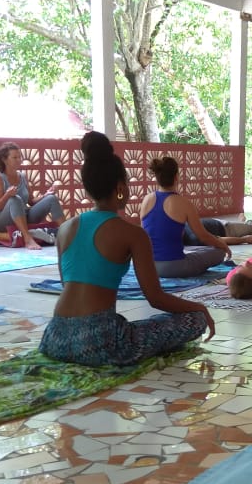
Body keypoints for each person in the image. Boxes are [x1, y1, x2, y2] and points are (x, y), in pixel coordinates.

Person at [39, 133, 214, 367]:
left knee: (147, 324)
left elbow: (67, 285)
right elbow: (155, 298)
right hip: (101, 342)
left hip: (55, 337)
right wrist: (199, 307)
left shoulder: (65, 229)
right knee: (193, 320)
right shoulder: (132, 233)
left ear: (88, 190)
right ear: (121, 188)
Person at [140, 156, 231, 278]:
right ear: (177, 176)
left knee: (198, 252)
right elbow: (203, 236)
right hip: (175, 267)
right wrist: (223, 245)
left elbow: (144, 234)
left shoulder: (146, 200)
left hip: (149, 267)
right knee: (219, 252)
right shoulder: (183, 203)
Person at [0, 142, 66, 250]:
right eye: (14, 157)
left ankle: (67, 234)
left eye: (20, 156)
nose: (19, 160)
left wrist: (46, 195)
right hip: (3, 222)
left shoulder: (23, 176)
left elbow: (31, 201)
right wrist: (7, 195)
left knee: (51, 199)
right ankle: (27, 238)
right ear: (5, 160)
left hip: (23, 218)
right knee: (15, 199)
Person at [183, 217, 252, 247]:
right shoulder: (194, 237)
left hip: (222, 224)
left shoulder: (183, 228)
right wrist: (245, 239)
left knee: (250, 227)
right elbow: (221, 240)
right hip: (226, 230)